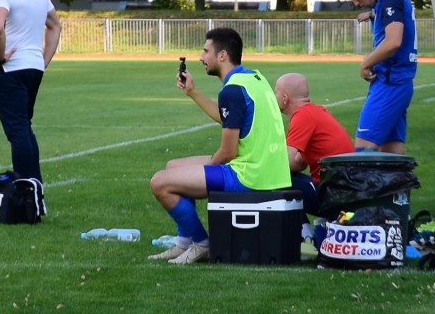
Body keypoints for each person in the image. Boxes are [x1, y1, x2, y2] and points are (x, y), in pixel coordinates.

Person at [148, 28, 291, 264]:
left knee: (160, 182)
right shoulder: (254, 78)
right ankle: (184, 243)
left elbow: (227, 152)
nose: (201, 58)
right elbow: (229, 117)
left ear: (222, 55)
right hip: (268, 171)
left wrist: (207, 176)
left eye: (206, 51)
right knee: (173, 167)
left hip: (250, 176)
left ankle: (202, 243)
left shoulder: (232, 90)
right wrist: (192, 93)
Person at [0, 0, 62, 183]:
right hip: (34, 67)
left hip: (11, 69)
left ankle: (25, 188)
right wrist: (43, 60)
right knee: (25, 127)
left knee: (18, 131)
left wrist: (0, 57)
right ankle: (34, 186)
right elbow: (54, 25)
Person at [339, 0, 417, 154]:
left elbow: (393, 42)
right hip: (397, 82)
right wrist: (372, 14)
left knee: (363, 153)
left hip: (390, 83)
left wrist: (366, 63)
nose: (356, 3)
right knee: (391, 154)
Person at [274, 73, 355, 244]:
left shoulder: (302, 116)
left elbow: (285, 165)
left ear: (285, 98)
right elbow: (299, 163)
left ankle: (305, 237)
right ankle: (311, 232)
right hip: (346, 191)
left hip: (333, 195)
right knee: (285, 178)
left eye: (276, 92)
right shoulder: (316, 112)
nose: (275, 97)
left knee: (273, 180)